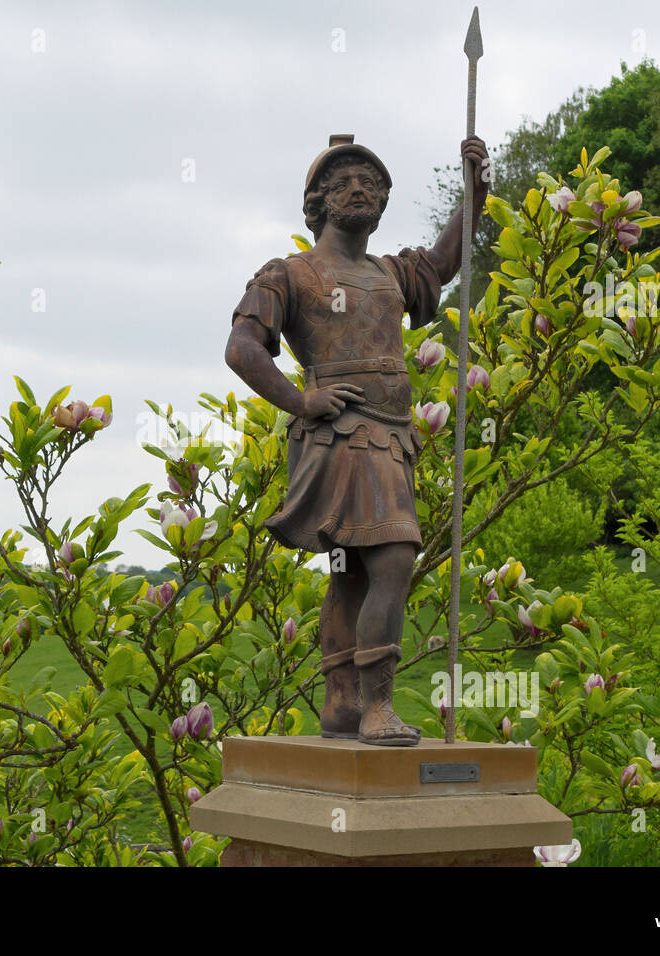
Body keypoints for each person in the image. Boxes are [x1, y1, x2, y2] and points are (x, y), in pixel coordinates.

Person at [224, 133, 488, 745]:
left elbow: (443, 265)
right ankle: (376, 706)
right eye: (342, 182)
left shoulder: (389, 273)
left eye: (370, 183)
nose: (359, 189)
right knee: (394, 555)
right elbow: (242, 348)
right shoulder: (290, 274)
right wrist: (301, 398)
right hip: (343, 434)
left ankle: (341, 703)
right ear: (316, 202)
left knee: (354, 573)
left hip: (393, 438)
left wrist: (471, 194)